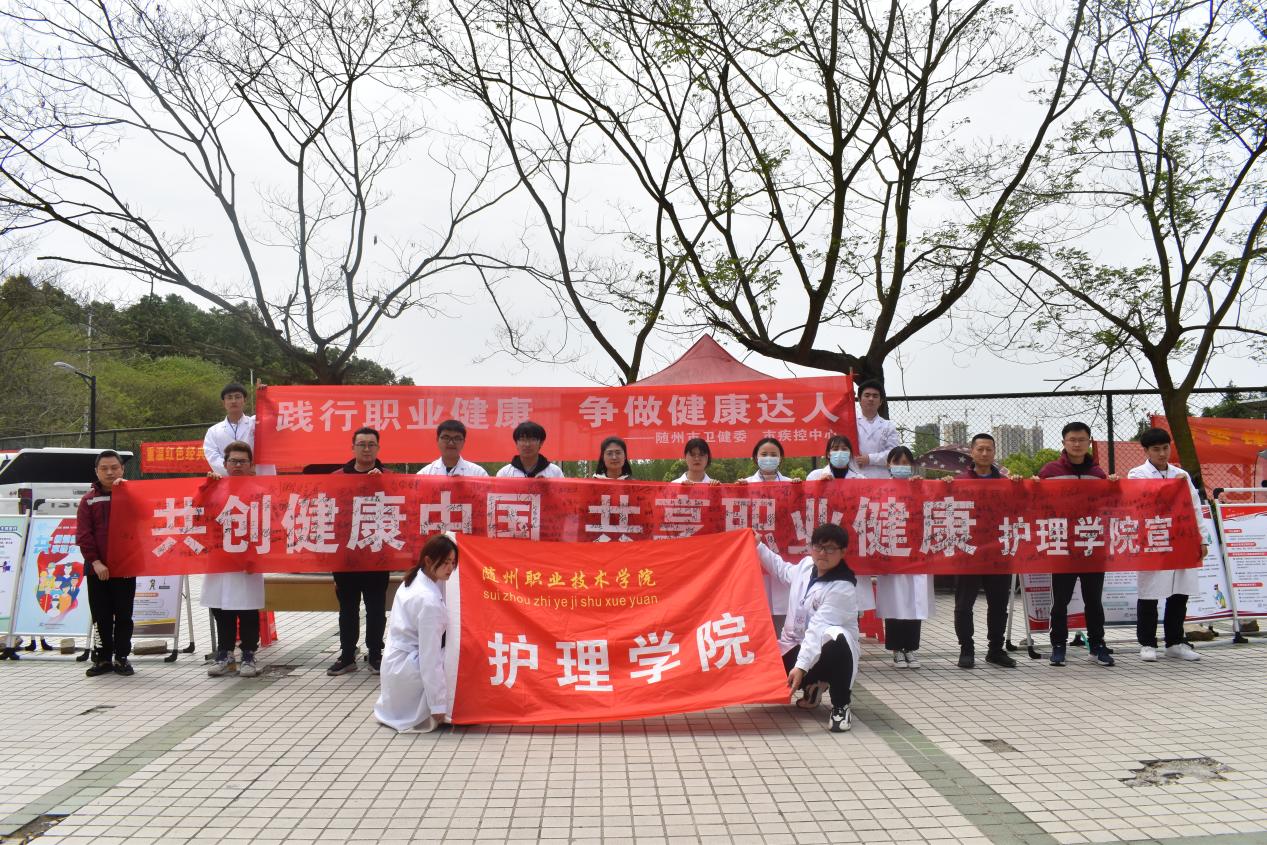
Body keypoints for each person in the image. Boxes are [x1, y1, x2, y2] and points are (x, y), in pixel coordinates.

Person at [755, 523, 860, 733]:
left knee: (837, 638)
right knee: (760, 675)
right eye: (818, 547)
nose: (823, 553)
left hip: (826, 652)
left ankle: (840, 706)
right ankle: (814, 685)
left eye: (830, 549)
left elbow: (817, 629)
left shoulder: (842, 588)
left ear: (843, 552)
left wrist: (801, 667)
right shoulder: (806, 566)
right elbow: (782, 570)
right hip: (794, 645)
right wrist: (757, 546)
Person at [1037, 421, 1120, 668]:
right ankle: (1058, 645)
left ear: (1088, 442)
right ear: (1063, 442)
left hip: (1092, 543)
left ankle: (1097, 645)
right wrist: (1030, 484)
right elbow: (1036, 501)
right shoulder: (1050, 471)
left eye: (1081, 439)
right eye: (1072, 439)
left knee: (1093, 600)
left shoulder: (1098, 473)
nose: (1076, 444)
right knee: (1060, 600)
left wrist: (1114, 487)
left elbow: (1110, 505)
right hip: (1062, 544)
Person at [1129, 428, 1209, 663]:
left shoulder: (1180, 474)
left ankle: (1175, 642)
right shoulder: (1137, 474)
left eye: (1165, 448)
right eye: (1156, 449)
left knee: (1180, 591)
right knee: (1150, 592)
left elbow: (1195, 507)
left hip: (1182, 538)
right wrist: (1172, 487)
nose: (1162, 454)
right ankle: (1147, 642)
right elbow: (1141, 502)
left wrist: (1202, 539)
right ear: (1146, 451)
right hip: (1153, 539)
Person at [945, 434, 1019, 669]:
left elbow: (1021, 506)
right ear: (972, 452)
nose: (985, 453)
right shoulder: (959, 480)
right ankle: (966, 649)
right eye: (980, 449)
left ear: (994, 452)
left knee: (998, 604)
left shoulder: (1006, 482)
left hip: (998, 552)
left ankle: (995, 650)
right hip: (968, 551)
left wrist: (1023, 485)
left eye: (989, 449)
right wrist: (944, 487)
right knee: (963, 605)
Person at [374, 534, 459, 733]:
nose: (450, 568)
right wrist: (438, 706)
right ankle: (447, 708)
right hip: (408, 668)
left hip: (395, 665)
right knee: (458, 656)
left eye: (453, 562)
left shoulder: (412, 581)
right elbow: (430, 658)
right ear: (428, 561)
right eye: (445, 562)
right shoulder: (427, 599)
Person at [328, 426, 391, 677]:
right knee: (348, 609)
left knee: (376, 608)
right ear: (352, 447)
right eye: (361, 444)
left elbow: (401, 510)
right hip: (346, 556)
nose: (366, 449)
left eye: (371, 444)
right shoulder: (336, 477)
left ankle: (375, 654)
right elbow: (329, 513)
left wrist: (382, 484)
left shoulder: (389, 477)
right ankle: (347, 655)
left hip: (377, 555)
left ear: (378, 448)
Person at [203, 440, 266, 678]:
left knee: (247, 609)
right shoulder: (215, 487)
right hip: (219, 559)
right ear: (225, 463)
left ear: (251, 465)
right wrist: (206, 487)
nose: (237, 465)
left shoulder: (260, 491)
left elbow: (266, 526)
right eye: (233, 461)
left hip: (248, 561)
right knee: (221, 609)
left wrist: (255, 556)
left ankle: (248, 654)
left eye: (242, 461)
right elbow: (198, 512)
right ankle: (225, 654)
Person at [75, 450, 136, 677]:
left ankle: (122, 658)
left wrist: (127, 490)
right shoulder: (88, 500)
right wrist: (95, 562)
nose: (110, 472)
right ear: (96, 471)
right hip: (97, 570)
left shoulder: (132, 496)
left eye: (114, 467)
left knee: (124, 616)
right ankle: (102, 659)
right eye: (104, 468)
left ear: (122, 469)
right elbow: (84, 535)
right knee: (100, 616)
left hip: (125, 568)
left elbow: (145, 521)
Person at [879, 446, 935, 669]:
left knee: (914, 600)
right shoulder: (879, 488)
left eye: (905, 463)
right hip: (892, 552)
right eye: (897, 462)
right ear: (888, 465)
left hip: (915, 553)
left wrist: (923, 488)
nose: (901, 467)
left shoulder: (919, 487)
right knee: (895, 601)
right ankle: (896, 649)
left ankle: (910, 648)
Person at [203, 382, 256, 477]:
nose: (233, 401)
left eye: (238, 397)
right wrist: (233, 470)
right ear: (224, 402)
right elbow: (213, 457)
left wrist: (265, 394)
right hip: (226, 478)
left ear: (244, 400)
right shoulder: (213, 431)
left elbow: (274, 416)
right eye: (229, 397)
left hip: (254, 475)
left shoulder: (256, 423)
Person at [852, 380, 900, 479]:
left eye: (875, 396)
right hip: (856, 476)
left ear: (881, 401)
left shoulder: (888, 426)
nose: (871, 399)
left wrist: (870, 459)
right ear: (860, 400)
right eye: (867, 395)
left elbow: (893, 454)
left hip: (881, 478)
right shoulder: (851, 424)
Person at [417, 420, 489, 477]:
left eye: (457, 438)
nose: (451, 443)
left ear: (463, 442)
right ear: (437, 440)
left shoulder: (478, 473)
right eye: (446, 438)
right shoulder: (424, 474)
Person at [496, 421, 564, 478]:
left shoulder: (555, 472)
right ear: (516, 443)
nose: (527, 444)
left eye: (532, 440)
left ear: (541, 443)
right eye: (522, 440)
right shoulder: (504, 473)